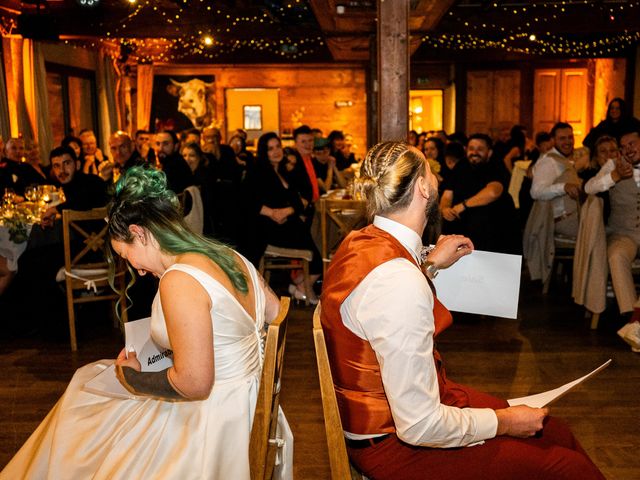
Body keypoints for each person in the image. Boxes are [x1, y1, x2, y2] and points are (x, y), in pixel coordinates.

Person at [320, 141, 605, 480]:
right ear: (424, 187)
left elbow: (376, 302)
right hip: (395, 445)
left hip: (390, 418)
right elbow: (420, 425)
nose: (436, 175)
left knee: (552, 430)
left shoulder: (361, 241)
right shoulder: (399, 281)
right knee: (566, 468)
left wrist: (429, 265)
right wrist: (503, 423)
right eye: (431, 169)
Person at [1, 166, 293, 479]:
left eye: (127, 255)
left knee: (83, 405)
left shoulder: (178, 280)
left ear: (140, 233)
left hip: (213, 424)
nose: (136, 270)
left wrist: (133, 379)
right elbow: (275, 313)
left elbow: (195, 383)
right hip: (253, 407)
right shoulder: (230, 256)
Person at [241, 132, 322, 304]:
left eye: (278, 146)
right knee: (314, 252)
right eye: (270, 149)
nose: (276, 151)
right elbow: (247, 201)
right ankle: (302, 287)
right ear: (264, 152)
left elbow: (302, 200)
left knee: (314, 242)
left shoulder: (283, 171)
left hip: (284, 224)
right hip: (265, 228)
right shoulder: (257, 171)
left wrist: (288, 210)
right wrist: (273, 213)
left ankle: (300, 287)